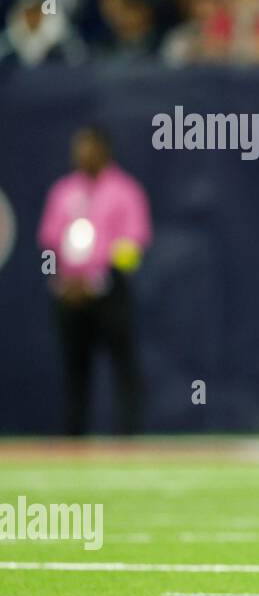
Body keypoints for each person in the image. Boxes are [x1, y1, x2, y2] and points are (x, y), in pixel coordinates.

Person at [37, 126, 151, 435]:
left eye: (88, 148)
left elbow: (133, 244)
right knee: (75, 371)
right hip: (69, 294)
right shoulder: (63, 191)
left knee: (123, 367)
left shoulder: (126, 191)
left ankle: (129, 439)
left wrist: (99, 277)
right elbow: (49, 240)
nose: (81, 155)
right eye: (78, 148)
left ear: (103, 150)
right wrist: (62, 282)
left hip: (110, 291)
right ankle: (73, 441)